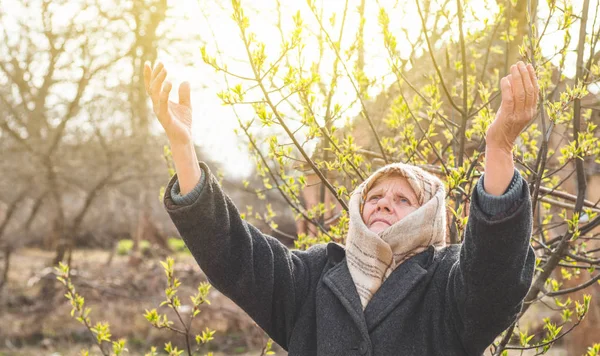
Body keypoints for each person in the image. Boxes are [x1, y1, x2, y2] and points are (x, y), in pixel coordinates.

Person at [143, 60, 537, 355]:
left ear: (427, 215)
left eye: (403, 199)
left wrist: (499, 150)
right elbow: (233, 254)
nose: (384, 204)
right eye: (375, 197)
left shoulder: (447, 282)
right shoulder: (314, 276)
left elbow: (493, 274)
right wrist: (182, 147)